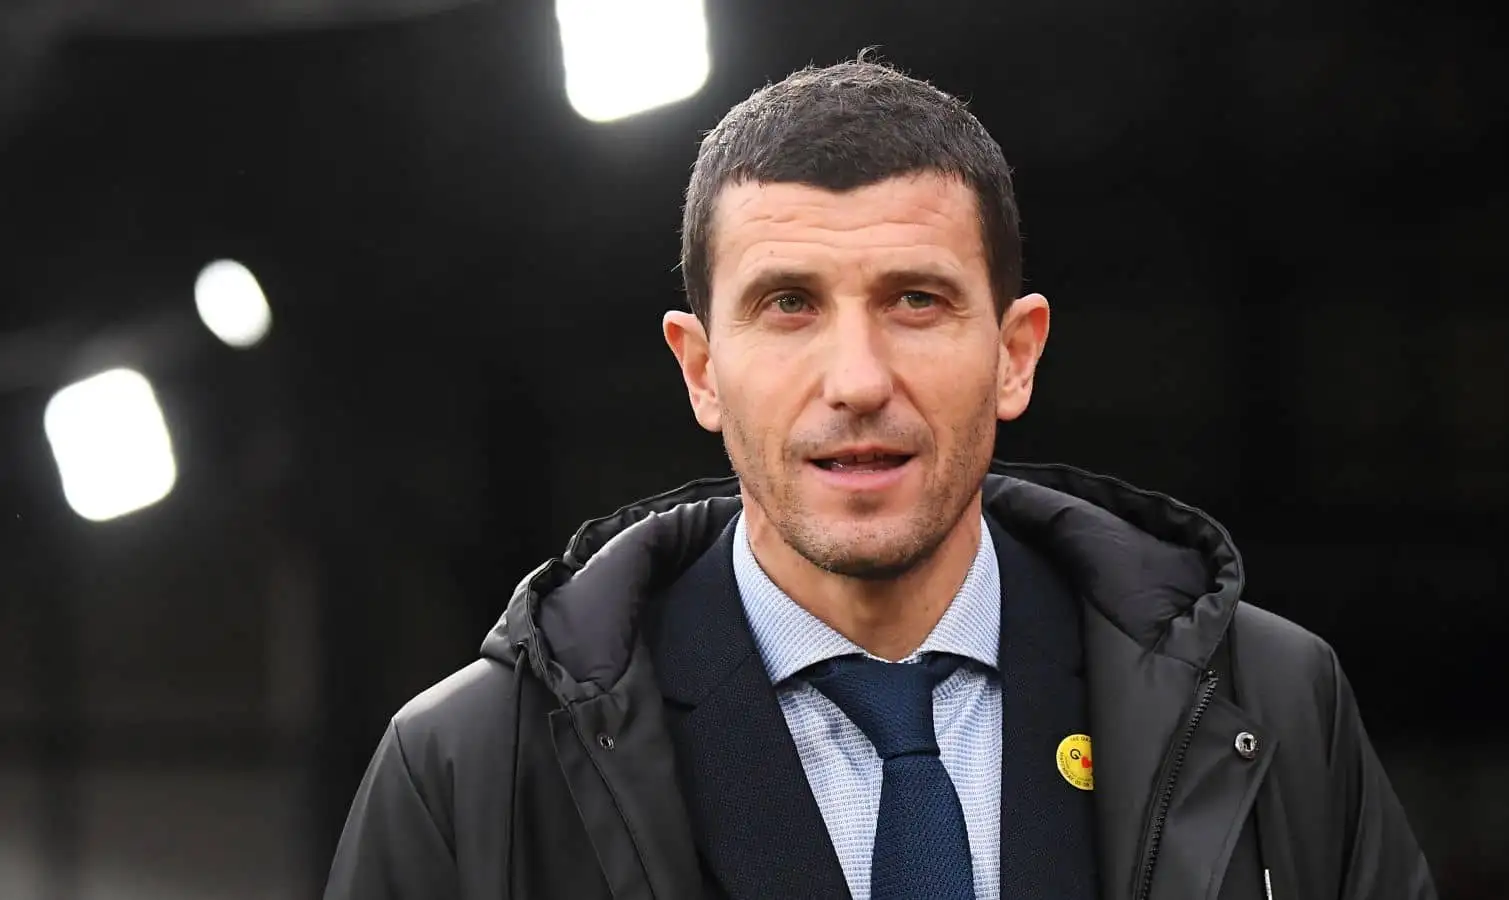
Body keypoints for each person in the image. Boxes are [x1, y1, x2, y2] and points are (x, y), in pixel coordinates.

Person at [324, 58, 1437, 900]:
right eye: (788, 304)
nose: (856, 380)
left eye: (915, 299)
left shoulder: (1274, 705)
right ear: (700, 368)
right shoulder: (471, 766)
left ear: (1015, 353)